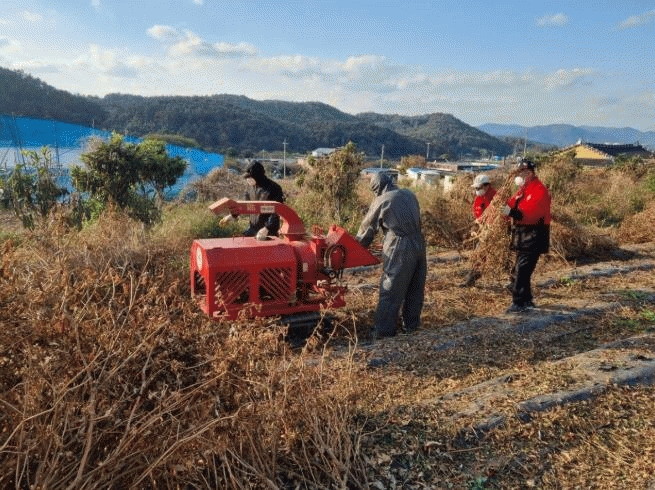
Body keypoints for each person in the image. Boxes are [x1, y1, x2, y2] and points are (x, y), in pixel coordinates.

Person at [356, 172, 427, 338]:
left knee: (391, 288)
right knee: (415, 287)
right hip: (419, 242)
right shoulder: (410, 194)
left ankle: (384, 331)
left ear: (377, 188)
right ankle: (411, 326)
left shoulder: (383, 199)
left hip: (400, 245)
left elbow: (367, 229)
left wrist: (358, 247)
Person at [502, 157, 551, 313]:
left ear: (530, 173)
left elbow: (533, 214)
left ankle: (518, 303)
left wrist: (512, 213)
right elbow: (510, 205)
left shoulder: (540, 190)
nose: (519, 176)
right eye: (518, 173)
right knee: (523, 269)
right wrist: (502, 209)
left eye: (522, 173)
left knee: (521, 270)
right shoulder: (522, 191)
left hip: (535, 234)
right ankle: (527, 300)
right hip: (522, 235)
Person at [220, 160, 285, 240]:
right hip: (253, 228)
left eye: (250, 177)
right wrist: (233, 215)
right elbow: (244, 205)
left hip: (268, 231)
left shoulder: (274, 188)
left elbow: (277, 211)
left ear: (258, 176)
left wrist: (267, 228)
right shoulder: (250, 187)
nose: (248, 179)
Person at [460, 174, 497, 287]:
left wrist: (486, 224)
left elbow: (495, 214)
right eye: (475, 188)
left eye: (478, 188)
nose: (476, 190)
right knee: (480, 254)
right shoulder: (479, 197)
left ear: (486, 186)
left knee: (481, 253)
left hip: (493, 229)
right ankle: (473, 276)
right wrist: (476, 227)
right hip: (483, 229)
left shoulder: (494, 197)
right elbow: (477, 213)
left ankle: (472, 277)